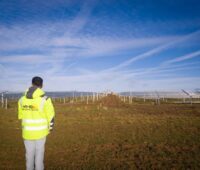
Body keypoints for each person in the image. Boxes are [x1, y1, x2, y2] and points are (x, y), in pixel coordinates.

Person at [18, 76, 55, 170]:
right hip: (41, 133)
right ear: (42, 85)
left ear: (32, 84)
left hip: (27, 133)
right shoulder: (46, 99)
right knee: (39, 156)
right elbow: (51, 117)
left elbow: (20, 116)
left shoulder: (21, 100)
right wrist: (50, 129)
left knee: (29, 156)